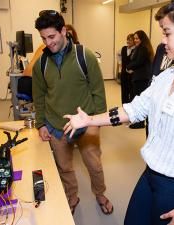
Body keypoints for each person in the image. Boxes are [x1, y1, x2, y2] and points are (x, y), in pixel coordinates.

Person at [63, 1, 174, 224]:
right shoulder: (168, 75)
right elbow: (135, 109)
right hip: (150, 174)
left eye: (167, 33)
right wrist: (90, 119)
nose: (162, 41)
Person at [32, 10, 113, 215]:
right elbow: (39, 96)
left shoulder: (84, 56)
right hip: (56, 125)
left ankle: (100, 194)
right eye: (43, 38)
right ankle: (72, 196)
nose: (48, 43)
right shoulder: (40, 63)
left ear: (64, 31)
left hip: (86, 124)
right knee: (64, 167)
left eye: (51, 36)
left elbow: (98, 93)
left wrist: (96, 121)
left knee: (94, 165)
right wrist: (41, 124)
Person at [126, 30, 154, 129]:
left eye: (137, 38)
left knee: (140, 100)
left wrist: (128, 67)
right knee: (137, 98)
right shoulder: (140, 48)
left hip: (142, 78)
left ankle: (140, 123)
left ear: (142, 39)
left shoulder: (143, 48)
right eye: (135, 38)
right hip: (139, 77)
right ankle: (138, 121)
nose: (135, 40)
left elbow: (138, 62)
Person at [120, 33, 135, 104]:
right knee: (124, 93)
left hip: (132, 76)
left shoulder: (136, 50)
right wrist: (120, 63)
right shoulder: (123, 48)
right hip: (123, 75)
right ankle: (124, 106)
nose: (128, 41)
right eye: (127, 40)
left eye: (130, 40)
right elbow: (118, 55)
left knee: (131, 93)